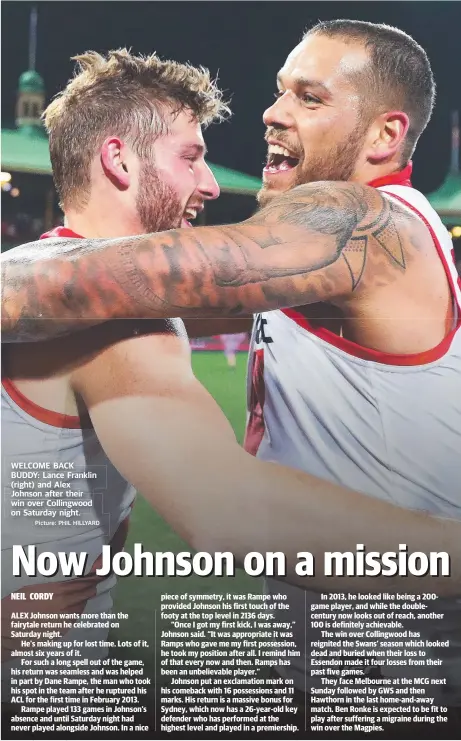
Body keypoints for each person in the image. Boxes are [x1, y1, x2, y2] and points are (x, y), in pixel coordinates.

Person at [2, 21, 461, 730]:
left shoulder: (356, 217)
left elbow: (101, 283)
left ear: (382, 136)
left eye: (307, 97)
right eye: (279, 91)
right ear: (120, 161)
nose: (272, 113)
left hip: (403, 675)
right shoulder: (323, 262)